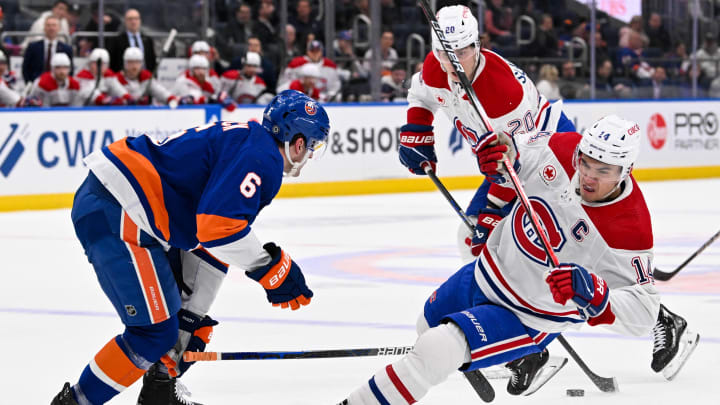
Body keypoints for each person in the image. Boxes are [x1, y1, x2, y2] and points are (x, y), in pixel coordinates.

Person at [340, 115, 679, 404]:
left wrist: (596, 294)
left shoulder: (630, 228)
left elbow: (645, 310)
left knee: (435, 349)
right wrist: (502, 156)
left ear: (627, 169)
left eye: (603, 171)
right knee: (425, 326)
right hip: (485, 271)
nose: (588, 176)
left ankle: (520, 349)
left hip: (527, 316)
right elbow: (518, 153)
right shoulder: (564, 147)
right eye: (585, 162)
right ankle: (522, 359)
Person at [50, 89, 330, 405]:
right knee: (153, 334)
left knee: (185, 325)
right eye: (313, 146)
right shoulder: (262, 158)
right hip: (120, 210)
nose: (309, 155)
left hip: (120, 204)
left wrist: (192, 315)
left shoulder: (251, 141)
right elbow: (217, 228)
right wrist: (270, 269)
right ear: (298, 143)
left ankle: (159, 392)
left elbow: (211, 241)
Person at [22, 15, 73, 84]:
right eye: (48, 25)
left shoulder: (66, 49)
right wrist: (30, 84)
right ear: (44, 28)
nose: (51, 28)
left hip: (58, 85)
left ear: (59, 28)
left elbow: (70, 70)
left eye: (54, 25)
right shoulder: (33, 47)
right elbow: (25, 68)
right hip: (37, 84)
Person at [108, 9, 157, 73]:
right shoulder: (117, 41)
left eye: (136, 18)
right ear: (125, 21)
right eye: (130, 19)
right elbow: (113, 63)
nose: (133, 21)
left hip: (145, 78)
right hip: (124, 79)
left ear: (140, 21)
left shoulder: (148, 40)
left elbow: (152, 62)